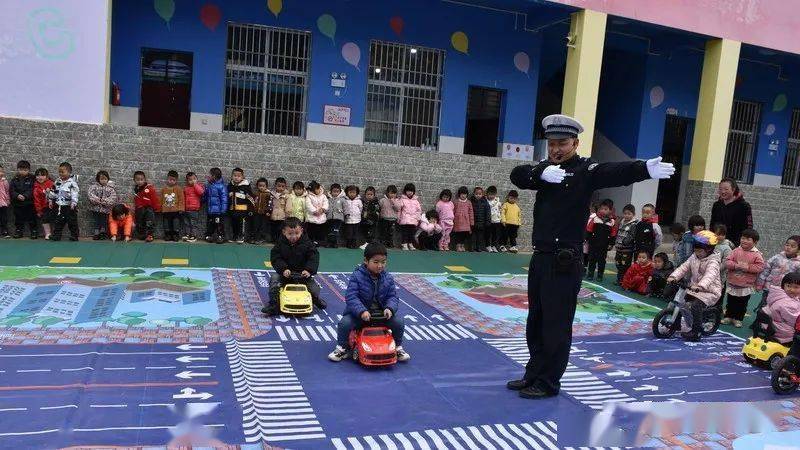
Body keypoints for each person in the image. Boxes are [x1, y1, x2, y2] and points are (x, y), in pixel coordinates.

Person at [507, 113, 674, 399]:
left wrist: (644, 168)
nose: (556, 149)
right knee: (536, 319)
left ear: (575, 143)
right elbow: (517, 175)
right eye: (551, 144)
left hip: (564, 259)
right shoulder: (547, 169)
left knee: (556, 324)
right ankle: (533, 373)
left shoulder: (586, 170)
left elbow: (615, 171)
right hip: (541, 256)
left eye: (562, 143)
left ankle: (548, 382)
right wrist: (539, 173)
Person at [327, 242, 410, 362]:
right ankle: (342, 348)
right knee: (344, 323)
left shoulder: (388, 278)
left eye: (383, 262)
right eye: (376, 262)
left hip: (381, 314)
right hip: (360, 315)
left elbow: (392, 296)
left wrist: (389, 309)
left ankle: (397, 347)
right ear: (366, 261)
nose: (380, 265)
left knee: (398, 322)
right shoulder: (357, 276)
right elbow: (351, 297)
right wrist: (361, 311)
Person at [262, 217, 326, 316]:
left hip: (302, 274)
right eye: (290, 234)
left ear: (301, 231)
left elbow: (313, 257)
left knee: (314, 288)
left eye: (297, 233)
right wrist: (283, 269)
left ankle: (315, 300)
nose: (293, 236)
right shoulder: (280, 243)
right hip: (286, 274)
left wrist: (308, 270)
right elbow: (276, 258)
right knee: (274, 280)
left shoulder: (308, 243)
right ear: (284, 232)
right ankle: (273, 305)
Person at [667, 230, 722, 342]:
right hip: (695, 288)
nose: (698, 253)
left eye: (700, 251)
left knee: (696, 306)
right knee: (682, 302)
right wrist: (674, 276)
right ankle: (676, 323)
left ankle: (696, 332)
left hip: (710, 290)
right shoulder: (694, 256)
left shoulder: (713, 262)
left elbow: (710, 276)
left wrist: (701, 286)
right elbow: (684, 267)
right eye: (696, 250)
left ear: (709, 250)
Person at [723, 228, 765, 328]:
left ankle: (738, 318)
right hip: (733, 282)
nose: (744, 241)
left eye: (748, 239)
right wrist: (736, 265)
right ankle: (728, 316)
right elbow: (727, 262)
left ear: (755, 242)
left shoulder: (757, 254)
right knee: (731, 301)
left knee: (742, 303)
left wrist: (747, 267)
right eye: (743, 238)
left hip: (746, 285)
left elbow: (760, 267)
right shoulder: (736, 251)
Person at [756, 235, 800, 309]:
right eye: (787, 245)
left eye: (792, 246)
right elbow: (766, 269)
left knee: (778, 308)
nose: (788, 247)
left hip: (784, 291)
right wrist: (760, 283)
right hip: (769, 288)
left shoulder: (798, 264)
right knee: (764, 306)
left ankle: (775, 320)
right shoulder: (777, 257)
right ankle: (760, 320)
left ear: (798, 250)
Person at [710, 177, 753, 247]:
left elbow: (749, 227)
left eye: (726, 189)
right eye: (720, 189)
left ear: (733, 189)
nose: (723, 192)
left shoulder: (744, 206)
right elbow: (712, 225)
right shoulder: (717, 205)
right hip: (717, 243)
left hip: (735, 245)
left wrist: (741, 244)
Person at [763, 272, 800, 345]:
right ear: (783, 286)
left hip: (772, 325)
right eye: (789, 286)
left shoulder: (778, 295)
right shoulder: (786, 303)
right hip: (781, 331)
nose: (792, 289)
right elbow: (795, 320)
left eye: (796, 287)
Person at [585, 198, 616, 282]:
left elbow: (613, 233)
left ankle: (600, 275)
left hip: (604, 245)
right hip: (593, 244)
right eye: (601, 208)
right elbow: (589, 229)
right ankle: (590, 274)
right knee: (592, 259)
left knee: (602, 260)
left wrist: (611, 243)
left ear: (610, 210)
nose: (603, 210)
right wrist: (587, 239)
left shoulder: (612, 222)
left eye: (605, 209)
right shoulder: (595, 219)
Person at [49, 162, 80, 242]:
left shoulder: (72, 183)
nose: (61, 173)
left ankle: (74, 236)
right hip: (59, 206)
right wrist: (50, 200)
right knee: (58, 221)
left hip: (69, 206)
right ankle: (56, 236)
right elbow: (53, 191)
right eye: (59, 172)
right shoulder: (57, 181)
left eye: (63, 172)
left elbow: (75, 193)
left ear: (69, 172)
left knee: (72, 222)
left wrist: (74, 202)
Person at [87, 170, 117, 240]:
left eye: (105, 179)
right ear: (98, 179)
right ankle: (96, 233)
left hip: (106, 209)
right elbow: (90, 195)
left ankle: (103, 233)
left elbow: (113, 198)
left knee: (104, 221)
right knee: (96, 221)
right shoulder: (93, 187)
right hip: (95, 208)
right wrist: (98, 200)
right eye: (102, 179)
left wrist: (104, 201)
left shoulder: (111, 189)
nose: (103, 180)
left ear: (108, 179)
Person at [10, 160, 35, 239]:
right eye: (21, 170)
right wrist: (17, 195)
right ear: (17, 169)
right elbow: (11, 190)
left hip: (29, 203)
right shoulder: (14, 179)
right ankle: (18, 231)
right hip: (17, 203)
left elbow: (33, 189)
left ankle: (33, 231)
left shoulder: (32, 179)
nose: (23, 172)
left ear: (28, 170)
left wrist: (25, 195)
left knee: (31, 218)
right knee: (18, 218)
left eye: (25, 170)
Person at [614, 204, 639, 285]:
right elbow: (618, 233)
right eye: (625, 213)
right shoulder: (622, 222)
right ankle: (619, 279)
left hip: (627, 249)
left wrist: (625, 242)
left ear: (633, 214)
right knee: (618, 263)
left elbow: (632, 236)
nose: (627, 215)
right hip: (619, 248)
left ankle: (624, 280)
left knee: (625, 265)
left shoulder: (633, 224)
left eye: (629, 214)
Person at [133, 170, 160, 242]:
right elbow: (136, 200)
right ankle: (142, 234)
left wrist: (156, 208)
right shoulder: (136, 189)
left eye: (141, 179)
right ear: (134, 180)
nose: (140, 181)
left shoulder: (149, 188)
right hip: (139, 209)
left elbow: (154, 199)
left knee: (149, 222)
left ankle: (150, 235)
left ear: (144, 180)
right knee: (140, 222)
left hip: (148, 209)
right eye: (137, 180)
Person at [228, 168, 253, 244]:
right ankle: (234, 236)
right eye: (235, 175)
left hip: (243, 210)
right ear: (232, 176)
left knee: (241, 224)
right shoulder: (230, 185)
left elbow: (250, 198)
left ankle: (241, 236)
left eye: (239, 176)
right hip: (233, 209)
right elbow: (228, 197)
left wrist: (250, 209)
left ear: (242, 177)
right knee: (233, 223)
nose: (236, 177)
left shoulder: (246, 186)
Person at [204, 167, 228, 244]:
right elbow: (207, 196)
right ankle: (209, 235)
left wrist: (223, 210)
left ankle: (221, 236)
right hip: (211, 211)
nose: (208, 176)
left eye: (210, 175)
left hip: (219, 212)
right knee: (210, 223)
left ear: (214, 176)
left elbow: (224, 199)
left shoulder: (221, 186)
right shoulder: (209, 185)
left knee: (219, 224)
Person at [160, 170, 185, 242]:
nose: (171, 181)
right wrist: (159, 209)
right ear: (167, 179)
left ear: (176, 180)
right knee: (166, 223)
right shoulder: (163, 189)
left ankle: (175, 235)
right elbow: (160, 199)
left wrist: (181, 209)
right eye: (170, 179)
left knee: (176, 222)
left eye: (173, 180)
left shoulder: (178, 189)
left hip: (176, 210)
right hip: (166, 210)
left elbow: (181, 199)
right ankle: (167, 235)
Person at [304, 180, 329, 247]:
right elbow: (308, 205)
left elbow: (326, 203)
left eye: (314, 190)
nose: (313, 192)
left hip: (321, 217)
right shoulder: (308, 196)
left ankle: (318, 242)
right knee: (311, 231)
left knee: (320, 231)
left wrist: (323, 209)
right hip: (312, 218)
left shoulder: (323, 196)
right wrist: (314, 211)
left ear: (318, 188)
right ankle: (311, 242)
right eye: (311, 190)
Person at [714, 225, 734, 306]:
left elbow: (726, 262)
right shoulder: (712, 244)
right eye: (718, 234)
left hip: (720, 275)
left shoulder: (727, 248)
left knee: (719, 293)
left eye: (722, 235)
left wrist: (715, 270)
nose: (720, 236)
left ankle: (717, 310)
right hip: (711, 274)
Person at [398, 183, 422, 251]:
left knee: (412, 233)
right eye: (408, 191)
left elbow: (419, 210)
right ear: (405, 191)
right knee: (404, 233)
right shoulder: (402, 199)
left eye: (411, 191)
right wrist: (399, 218)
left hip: (413, 221)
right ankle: (404, 244)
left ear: (413, 192)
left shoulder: (416, 201)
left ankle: (410, 244)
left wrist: (418, 219)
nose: (409, 192)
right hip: (405, 220)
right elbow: (399, 210)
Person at [182, 172, 204, 242]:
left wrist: (195, 185)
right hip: (186, 209)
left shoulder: (198, 186)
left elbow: (201, 192)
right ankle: (188, 234)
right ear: (187, 181)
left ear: (197, 179)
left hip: (194, 209)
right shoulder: (186, 188)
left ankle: (194, 236)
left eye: (194, 179)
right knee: (186, 223)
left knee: (193, 223)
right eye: (190, 179)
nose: (192, 180)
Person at [32, 168, 54, 240]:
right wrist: (39, 210)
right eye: (38, 175)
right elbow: (36, 200)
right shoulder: (36, 187)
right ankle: (48, 233)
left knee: (56, 219)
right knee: (44, 220)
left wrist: (50, 191)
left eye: (42, 175)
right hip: (43, 207)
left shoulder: (51, 184)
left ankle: (56, 233)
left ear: (47, 176)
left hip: (53, 206)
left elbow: (56, 194)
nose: (40, 177)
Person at [250, 178, 273, 245]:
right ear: (257, 186)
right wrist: (252, 210)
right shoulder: (256, 194)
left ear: (266, 186)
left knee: (263, 226)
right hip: (256, 213)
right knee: (256, 225)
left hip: (264, 214)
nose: (261, 187)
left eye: (263, 186)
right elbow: (253, 202)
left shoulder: (268, 194)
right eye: (260, 186)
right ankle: (255, 238)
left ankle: (261, 238)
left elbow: (270, 203)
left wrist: (269, 211)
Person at [452, 186, 473, 252]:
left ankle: (462, 245)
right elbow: (453, 211)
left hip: (466, 222)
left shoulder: (469, 202)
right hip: (458, 221)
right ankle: (458, 245)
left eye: (465, 194)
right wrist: (452, 220)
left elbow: (471, 212)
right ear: (459, 194)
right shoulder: (456, 202)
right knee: (458, 234)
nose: (463, 195)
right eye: (462, 194)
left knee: (464, 234)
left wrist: (471, 222)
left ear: (467, 194)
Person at [470, 186, 491, 252]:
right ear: (474, 194)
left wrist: (488, 221)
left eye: (480, 194)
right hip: (473, 223)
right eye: (476, 194)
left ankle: (479, 247)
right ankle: (472, 247)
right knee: (473, 236)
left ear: (482, 194)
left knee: (480, 236)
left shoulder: (485, 203)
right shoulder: (471, 202)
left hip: (482, 223)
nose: (478, 195)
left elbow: (488, 213)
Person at [270, 177, 288, 244]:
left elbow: (288, 206)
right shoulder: (272, 194)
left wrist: (287, 214)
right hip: (273, 215)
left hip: (282, 216)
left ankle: (279, 240)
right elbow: (269, 204)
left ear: (285, 187)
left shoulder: (286, 195)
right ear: (275, 186)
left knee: (280, 229)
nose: (280, 188)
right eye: (279, 186)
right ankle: (273, 239)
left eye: (283, 186)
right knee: (273, 228)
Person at [326, 183, 345, 248]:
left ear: (340, 192)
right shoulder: (328, 199)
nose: (336, 193)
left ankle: (335, 243)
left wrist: (346, 215)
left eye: (337, 191)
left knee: (336, 231)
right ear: (331, 192)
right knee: (329, 231)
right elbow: (326, 207)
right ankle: (329, 243)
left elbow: (345, 208)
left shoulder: (342, 199)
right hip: (330, 218)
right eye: (334, 191)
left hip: (338, 219)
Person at [486, 186, 503, 253]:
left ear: (495, 194)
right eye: (490, 194)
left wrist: (500, 218)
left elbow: (500, 210)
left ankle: (494, 246)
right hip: (489, 221)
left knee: (495, 235)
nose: (491, 196)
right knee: (488, 234)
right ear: (487, 194)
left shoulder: (498, 202)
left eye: (493, 195)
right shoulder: (486, 201)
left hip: (497, 221)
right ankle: (488, 246)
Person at [0, 165, 8, 238]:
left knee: (4, 218)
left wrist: (8, 200)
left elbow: (7, 191)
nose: (0, 173)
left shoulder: (5, 181)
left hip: (3, 203)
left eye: (1, 171)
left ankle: (4, 231)